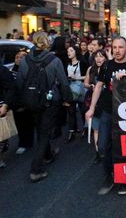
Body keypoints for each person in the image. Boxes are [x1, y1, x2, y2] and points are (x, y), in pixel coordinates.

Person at [16, 31, 71, 182]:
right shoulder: (54, 60)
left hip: (31, 101)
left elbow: (20, 82)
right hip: (49, 101)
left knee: (40, 129)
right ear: (47, 41)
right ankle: (35, 170)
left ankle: (48, 155)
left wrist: (22, 102)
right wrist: (67, 99)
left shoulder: (26, 59)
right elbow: (64, 82)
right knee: (44, 133)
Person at [85, 37, 126, 196]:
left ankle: (123, 180)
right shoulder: (106, 65)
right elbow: (99, 86)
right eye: (114, 47)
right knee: (102, 147)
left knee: (122, 147)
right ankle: (110, 175)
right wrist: (92, 108)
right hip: (107, 110)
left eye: (121, 47)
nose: (117, 50)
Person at [84, 49, 108, 164]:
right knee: (96, 128)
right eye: (97, 56)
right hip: (93, 101)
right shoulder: (91, 69)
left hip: (105, 101)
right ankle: (98, 153)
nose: (99, 59)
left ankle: (106, 150)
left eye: (101, 56)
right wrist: (90, 86)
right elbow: (85, 83)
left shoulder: (108, 69)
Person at [11, 50, 35, 154]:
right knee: (19, 123)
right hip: (15, 103)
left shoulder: (30, 70)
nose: (19, 59)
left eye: (23, 56)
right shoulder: (11, 71)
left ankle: (28, 142)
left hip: (28, 101)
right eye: (17, 57)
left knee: (28, 122)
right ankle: (22, 142)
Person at [66, 46, 88, 143]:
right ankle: (72, 131)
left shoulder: (82, 62)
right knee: (71, 111)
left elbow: (88, 76)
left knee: (83, 110)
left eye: (71, 51)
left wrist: (76, 77)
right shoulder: (67, 64)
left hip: (81, 89)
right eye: (68, 51)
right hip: (71, 89)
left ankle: (85, 129)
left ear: (76, 52)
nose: (69, 52)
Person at [0, 64, 17, 168]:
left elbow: (11, 87)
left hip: (1, 106)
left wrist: (5, 105)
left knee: (2, 137)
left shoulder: (2, 70)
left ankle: (0, 158)